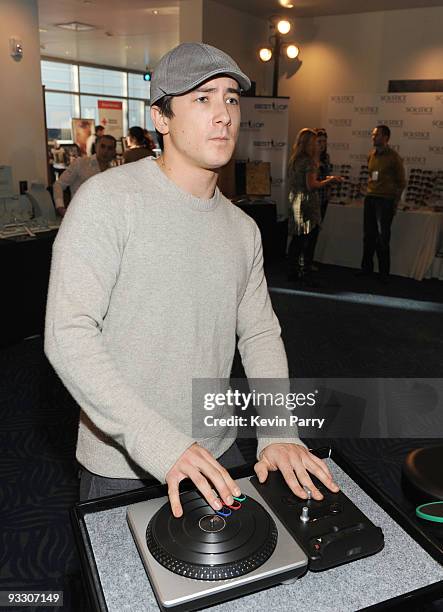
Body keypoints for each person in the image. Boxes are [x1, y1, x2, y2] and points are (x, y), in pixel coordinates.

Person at [45, 42, 339, 517]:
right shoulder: (108, 201)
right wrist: (162, 444)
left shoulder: (242, 229)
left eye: (230, 98)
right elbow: (67, 335)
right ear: (162, 118)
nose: (222, 114)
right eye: (202, 98)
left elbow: (260, 333)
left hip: (218, 452)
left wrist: (279, 430)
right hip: (123, 465)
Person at [287, 128, 341, 285]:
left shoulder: (294, 159)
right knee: (307, 239)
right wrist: (329, 181)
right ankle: (305, 272)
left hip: (295, 201)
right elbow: (312, 185)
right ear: (309, 143)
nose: (317, 145)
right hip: (307, 204)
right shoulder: (309, 161)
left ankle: (293, 271)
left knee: (297, 239)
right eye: (314, 142)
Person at [358, 125, 406, 282]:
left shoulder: (394, 157)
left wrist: (395, 202)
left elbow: (401, 182)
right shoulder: (371, 155)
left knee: (383, 237)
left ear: (385, 137)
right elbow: (372, 176)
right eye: (373, 135)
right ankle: (366, 269)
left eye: (376, 135)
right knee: (368, 236)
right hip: (371, 198)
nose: (373, 137)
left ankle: (384, 273)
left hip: (385, 201)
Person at [53, 135, 116, 217]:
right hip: (79, 215)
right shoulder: (80, 163)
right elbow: (59, 184)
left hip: (103, 217)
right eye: (102, 146)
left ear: (114, 151)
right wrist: (60, 208)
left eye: (110, 148)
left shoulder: (113, 171)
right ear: (96, 146)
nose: (105, 151)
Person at [304, 128, 333, 271]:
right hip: (310, 200)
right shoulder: (309, 159)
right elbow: (311, 183)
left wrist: (330, 185)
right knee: (307, 233)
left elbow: (326, 176)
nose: (322, 145)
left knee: (315, 232)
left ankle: (309, 261)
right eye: (319, 141)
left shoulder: (326, 158)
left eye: (324, 142)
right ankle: (302, 262)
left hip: (322, 200)